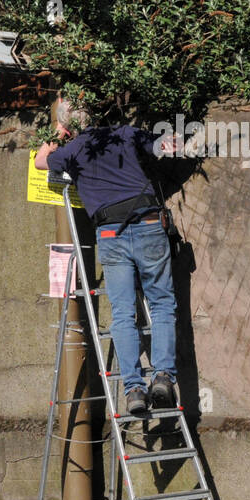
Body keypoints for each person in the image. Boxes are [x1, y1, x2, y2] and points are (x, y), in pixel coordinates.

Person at [34, 106, 180, 417]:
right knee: (162, 305)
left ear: (71, 128)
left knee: (123, 313)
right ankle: (163, 377)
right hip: (150, 223)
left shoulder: (73, 148)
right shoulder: (124, 133)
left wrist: (60, 129)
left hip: (110, 233)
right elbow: (163, 145)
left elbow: (40, 160)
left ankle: (134, 389)